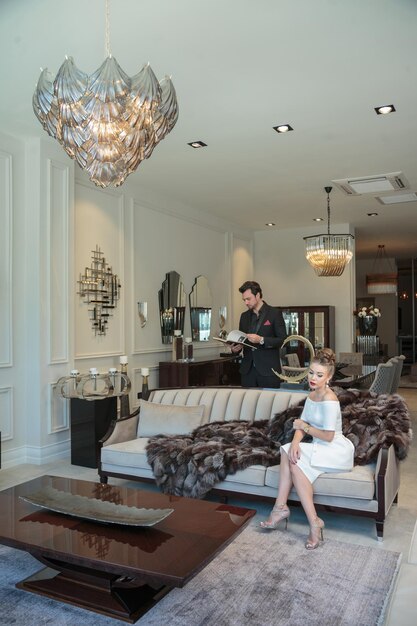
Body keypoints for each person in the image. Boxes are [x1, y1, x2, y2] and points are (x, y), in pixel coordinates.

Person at [259, 348, 354, 549]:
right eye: (311, 372)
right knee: (287, 451)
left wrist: (304, 427)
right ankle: (281, 508)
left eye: (319, 375)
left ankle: (312, 522)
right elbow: (302, 424)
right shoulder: (312, 396)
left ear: (328, 377)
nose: (313, 378)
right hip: (320, 446)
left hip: (335, 449)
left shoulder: (330, 399)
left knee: (295, 464)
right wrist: (295, 443)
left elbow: (327, 435)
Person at [231, 281, 287, 388]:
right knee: (247, 404)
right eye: (244, 300)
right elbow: (242, 340)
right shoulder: (244, 316)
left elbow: (283, 340)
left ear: (258, 295)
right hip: (247, 372)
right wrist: (236, 348)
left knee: (269, 404)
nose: (246, 303)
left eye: (248, 299)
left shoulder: (275, 313)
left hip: (269, 371)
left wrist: (261, 340)